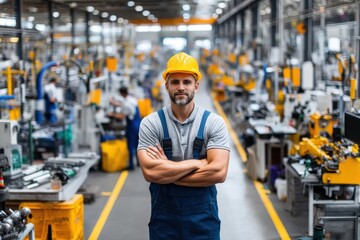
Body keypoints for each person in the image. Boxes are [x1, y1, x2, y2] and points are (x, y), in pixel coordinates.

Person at [137, 52, 230, 240]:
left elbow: (218, 173)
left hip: (203, 221)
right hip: (164, 221)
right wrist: (197, 164)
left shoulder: (213, 123)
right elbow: (150, 173)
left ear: (196, 86)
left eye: (186, 82)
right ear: (166, 86)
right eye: (175, 82)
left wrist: (167, 173)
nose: (181, 87)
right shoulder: (151, 123)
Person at [108, 86, 141, 170]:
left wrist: (112, 114)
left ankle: (131, 165)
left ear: (121, 93)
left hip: (132, 126)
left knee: (130, 146)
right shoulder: (132, 99)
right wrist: (114, 102)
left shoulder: (126, 104)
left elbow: (121, 116)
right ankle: (139, 163)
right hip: (139, 124)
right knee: (138, 145)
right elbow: (121, 103)